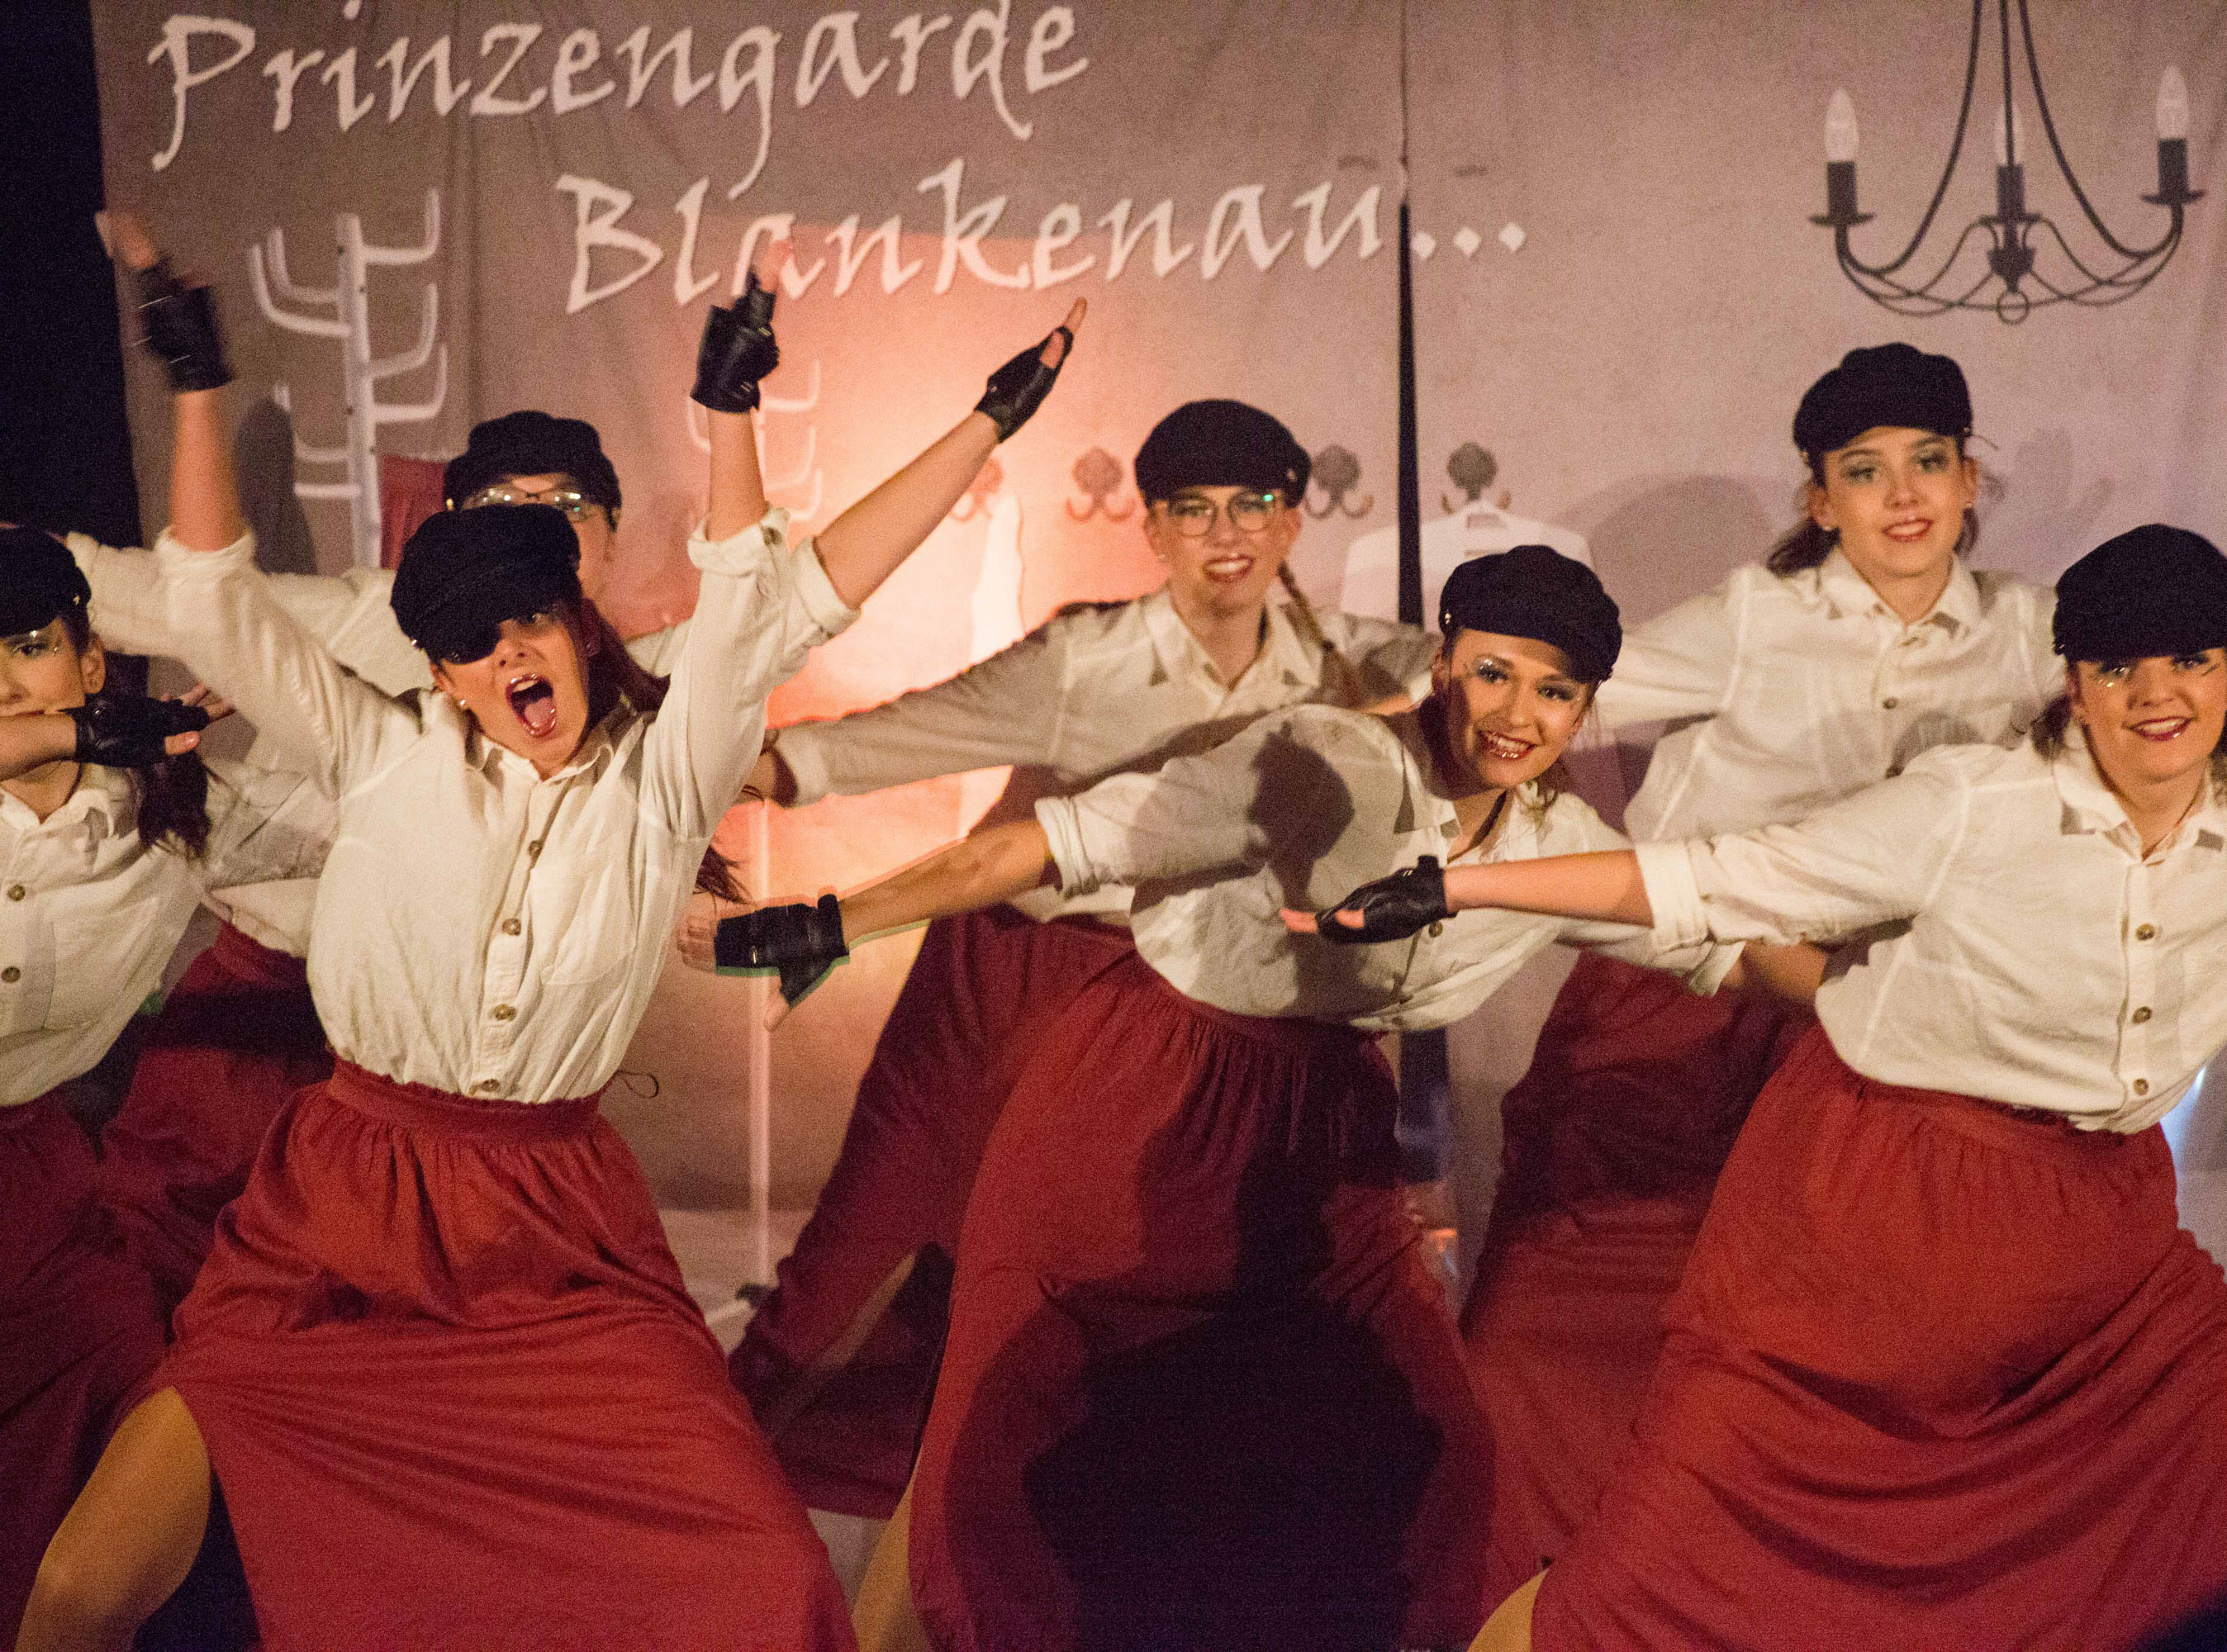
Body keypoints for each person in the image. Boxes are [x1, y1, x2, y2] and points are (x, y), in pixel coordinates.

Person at [17, 250, 1066, 1652]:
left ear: (579, 611)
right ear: (438, 673)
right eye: (472, 643)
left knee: (764, 1579)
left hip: (553, 1239)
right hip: (340, 1216)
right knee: (81, 1590)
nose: (510, 654)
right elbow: (206, 599)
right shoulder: (380, 748)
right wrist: (196, 378)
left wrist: (813, 417)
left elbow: (778, 598)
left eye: (530, 618)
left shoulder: (664, 767)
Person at [1313, 525, 2227, 1650]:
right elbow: (1722, 877)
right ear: (2074, 686)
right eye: (2117, 668)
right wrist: (1461, 887)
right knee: (1663, 1579)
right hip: (1871, 1216)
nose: (2154, 695)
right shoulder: (1976, 800)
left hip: (2098, 1253)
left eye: (2188, 661)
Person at [690, 544, 1728, 1651]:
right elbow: (1043, 847)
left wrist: (1864, 1010)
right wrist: (825, 923)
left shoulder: (1560, 846)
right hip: (1148, 1094)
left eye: (1555, 691)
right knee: (1013, 1440)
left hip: (1326, 1142)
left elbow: (1727, 945)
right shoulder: (1321, 757)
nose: (1518, 715)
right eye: (1493, 673)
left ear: (1585, 708)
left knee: (1433, 1452)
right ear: (1441, 664)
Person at [720, 397, 1438, 1544]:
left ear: (1292, 519)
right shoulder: (1085, 659)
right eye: (1193, 510)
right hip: (1017, 989)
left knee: (1138, 1288)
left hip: (1199, 1014)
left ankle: (1073, 1542)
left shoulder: (1354, 663)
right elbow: (888, 738)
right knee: (878, 1251)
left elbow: (1485, 685)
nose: (1226, 535)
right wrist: (711, 774)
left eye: (1252, 504)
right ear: (1152, 529)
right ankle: (722, 1508)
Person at [0, 527, 325, 1645]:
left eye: (30, 646)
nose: (5, 683)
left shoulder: (172, 812)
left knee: (142, 1448)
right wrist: (68, 732)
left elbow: (380, 826)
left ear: (92, 660)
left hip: (40, 1193)